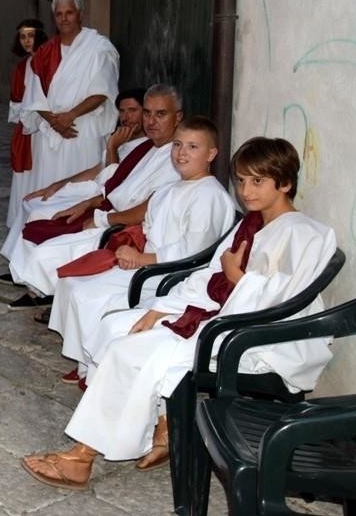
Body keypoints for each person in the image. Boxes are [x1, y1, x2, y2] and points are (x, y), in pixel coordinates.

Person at [21, 137, 337, 490]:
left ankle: (85, 457)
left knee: (134, 353)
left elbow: (286, 304)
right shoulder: (252, 223)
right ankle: (99, 449)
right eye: (242, 180)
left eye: (258, 181)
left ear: (286, 182)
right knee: (127, 344)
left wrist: (239, 280)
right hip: (222, 320)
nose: (246, 191)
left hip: (257, 342)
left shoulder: (307, 234)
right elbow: (207, 276)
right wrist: (163, 308)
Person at [49, 116, 236, 387]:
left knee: (89, 295)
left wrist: (143, 259)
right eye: (178, 145)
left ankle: (96, 368)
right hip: (147, 265)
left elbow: (194, 250)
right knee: (73, 285)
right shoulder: (170, 188)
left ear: (211, 154)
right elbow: (150, 226)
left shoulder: (210, 196)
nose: (182, 153)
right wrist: (131, 252)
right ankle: (86, 364)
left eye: (193, 147)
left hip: (171, 275)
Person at [2, 85, 184, 307]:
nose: (151, 121)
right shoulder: (148, 147)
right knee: (41, 222)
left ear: (178, 117)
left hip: (123, 229)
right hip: (107, 211)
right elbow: (117, 185)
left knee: (46, 252)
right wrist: (87, 203)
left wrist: (101, 218)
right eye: (148, 113)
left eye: (161, 114)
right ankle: (41, 290)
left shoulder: (177, 158)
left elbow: (147, 208)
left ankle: (45, 294)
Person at [0, 86, 145, 287]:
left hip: (102, 198)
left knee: (40, 213)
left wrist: (112, 147)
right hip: (93, 189)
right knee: (34, 203)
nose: (127, 117)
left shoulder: (141, 146)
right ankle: (21, 267)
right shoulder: (124, 138)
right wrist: (57, 185)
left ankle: (31, 275)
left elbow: (113, 181)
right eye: (122, 111)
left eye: (133, 110)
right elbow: (97, 169)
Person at [24, 0, 120, 194]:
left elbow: (103, 90)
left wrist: (70, 116)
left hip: (83, 128)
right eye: (59, 14)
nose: (64, 18)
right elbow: (34, 97)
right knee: (48, 189)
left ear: (80, 14)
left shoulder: (98, 47)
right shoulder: (44, 52)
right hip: (52, 130)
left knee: (81, 188)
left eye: (69, 13)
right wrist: (55, 122)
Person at [6, 19, 50, 229]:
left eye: (31, 35)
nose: (26, 41)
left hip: (46, 128)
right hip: (27, 129)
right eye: (23, 36)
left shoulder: (51, 62)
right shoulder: (21, 67)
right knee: (26, 177)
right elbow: (17, 101)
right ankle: (21, 223)